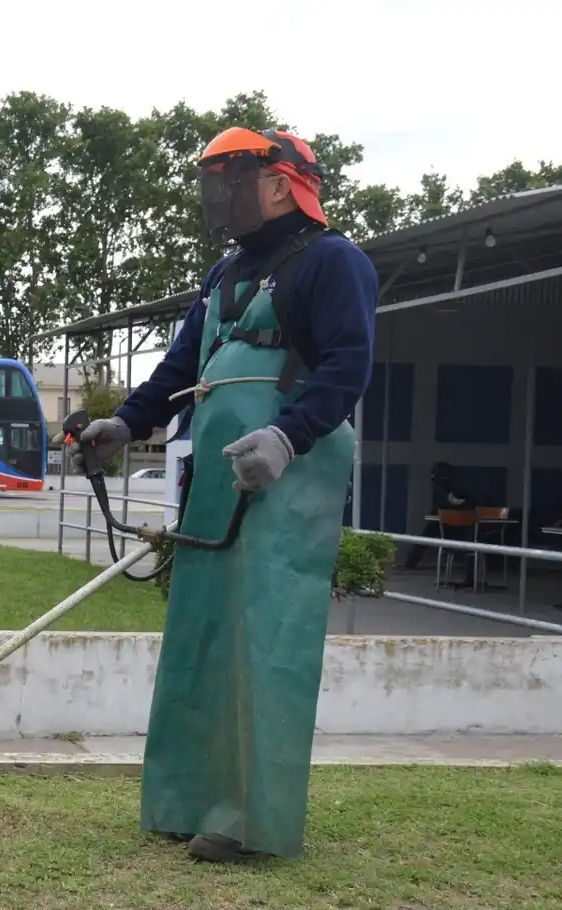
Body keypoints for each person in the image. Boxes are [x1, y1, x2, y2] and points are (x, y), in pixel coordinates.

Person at [65, 126, 377, 863]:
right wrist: (128, 422)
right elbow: (183, 365)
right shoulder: (225, 273)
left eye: (232, 178)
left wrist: (288, 436)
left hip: (284, 478)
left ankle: (249, 821)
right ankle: (187, 800)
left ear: (281, 184)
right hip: (215, 474)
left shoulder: (334, 262)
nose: (219, 195)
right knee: (201, 636)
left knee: (262, 640)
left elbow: (347, 364)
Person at [399, 462, 474, 576]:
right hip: (442, 520)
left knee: (428, 541)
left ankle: (411, 562)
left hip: (446, 520)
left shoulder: (445, 486)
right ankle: (411, 562)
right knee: (429, 541)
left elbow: (454, 502)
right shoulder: (444, 486)